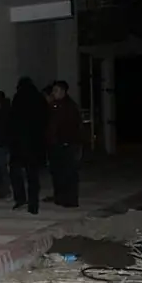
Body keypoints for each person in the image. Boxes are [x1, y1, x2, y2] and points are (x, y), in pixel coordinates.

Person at [8, 77, 48, 214]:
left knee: (16, 173)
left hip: (19, 144)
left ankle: (20, 199)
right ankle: (33, 204)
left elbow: (12, 121)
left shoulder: (18, 98)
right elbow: (44, 120)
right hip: (34, 144)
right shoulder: (39, 99)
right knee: (33, 176)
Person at [47, 80, 83, 208]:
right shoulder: (55, 105)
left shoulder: (69, 106)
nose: (53, 93)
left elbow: (71, 126)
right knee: (58, 172)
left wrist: (67, 141)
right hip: (56, 144)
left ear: (63, 92)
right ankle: (61, 196)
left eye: (56, 90)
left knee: (68, 172)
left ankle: (70, 198)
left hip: (66, 143)